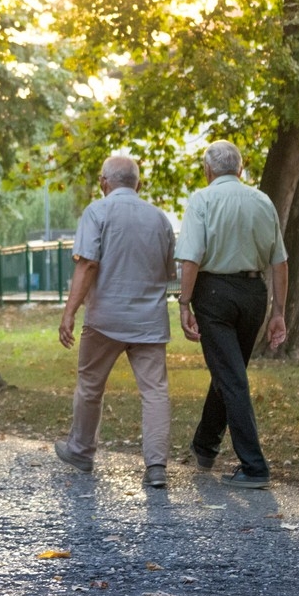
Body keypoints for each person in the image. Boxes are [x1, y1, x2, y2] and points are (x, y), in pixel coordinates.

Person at [54, 155, 177, 489]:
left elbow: (88, 265)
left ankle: (81, 450)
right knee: (155, 392)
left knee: (91, 386)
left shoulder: (97, 211)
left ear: (103, 182)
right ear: (139, 183)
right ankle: (156, 467)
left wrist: (69, 312)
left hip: (104, 319)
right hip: (149, 321)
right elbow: (168, 272)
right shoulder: (159, 219)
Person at [175, 140, 289, 490]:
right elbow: (280, 262)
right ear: (240, 169)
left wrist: (184, 302)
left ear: (208, 171)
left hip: (214, 295)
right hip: (254, 295)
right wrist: (278, 312)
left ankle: (254, 467)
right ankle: (205, 446)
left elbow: (191, 258)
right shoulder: (262, 201)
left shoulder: (202, 200)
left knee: (231, 376)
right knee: (229, 372)